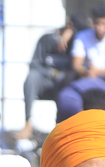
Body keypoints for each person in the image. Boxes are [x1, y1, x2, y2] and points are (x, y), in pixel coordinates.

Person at [17, 13, 87, 141]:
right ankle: (28, 123)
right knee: (31, 78)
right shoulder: (47, 39)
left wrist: (71, 34)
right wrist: (51, 73)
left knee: (69, 81)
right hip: (46, 80)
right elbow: (35, 64)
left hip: (64, 83)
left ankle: (63, 128)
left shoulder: (78, 42)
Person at [66, 4, 105, 106]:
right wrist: (86, 72)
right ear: (92, 22)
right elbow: (76, 65)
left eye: (104, 24)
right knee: (67, 84)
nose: (100, 28)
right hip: (87, 76)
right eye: (97, 23)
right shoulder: (81, 36)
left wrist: (97, 71)